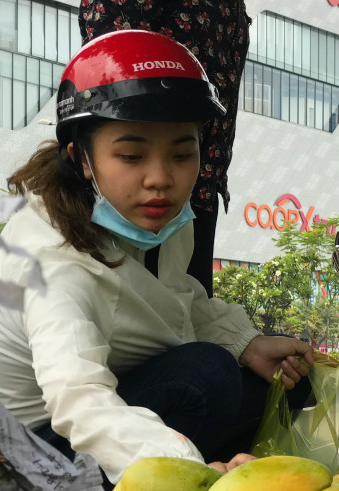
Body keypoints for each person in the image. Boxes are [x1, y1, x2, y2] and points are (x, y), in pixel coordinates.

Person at [0, 30, 313, 484]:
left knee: (285, 382)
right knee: (204, 375)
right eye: (131, 155)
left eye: (182, 153)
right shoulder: (51, 260)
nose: (160, 179)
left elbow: (177, 300)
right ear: (82, 159)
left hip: (93, 420)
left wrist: (247, 344)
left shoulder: (155, 219)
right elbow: (79, 400)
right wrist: (186, 474)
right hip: (17, 461)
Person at [79, 0, 250, 298]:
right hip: (128, 193)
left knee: (190, 315)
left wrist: (245, 342)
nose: (159, 178)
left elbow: (193, 315)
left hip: (198, 189)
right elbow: (107, 67)